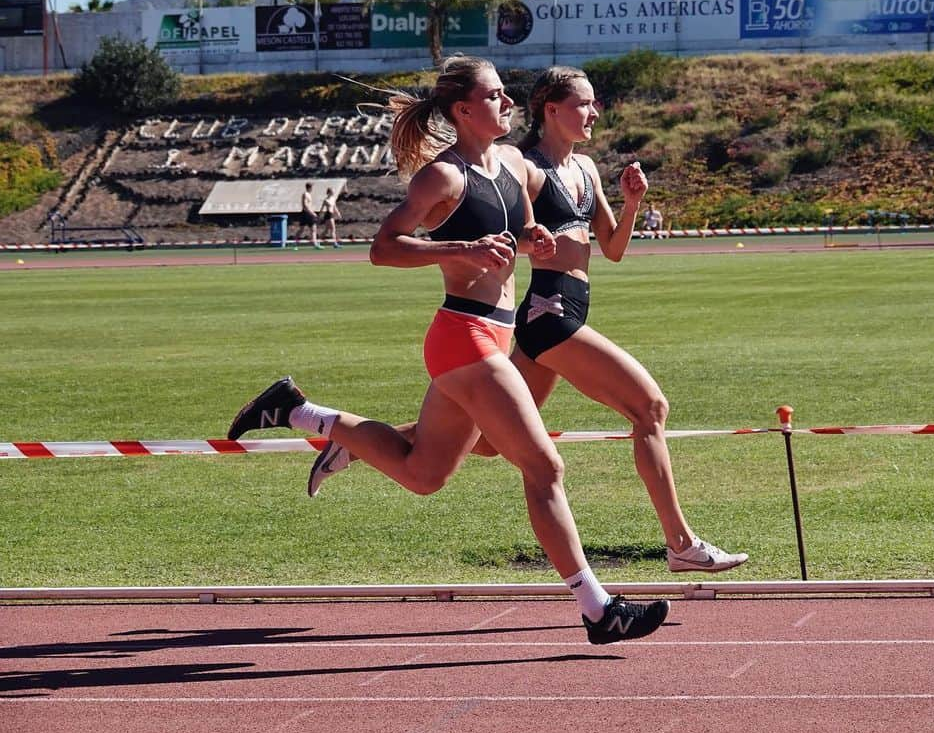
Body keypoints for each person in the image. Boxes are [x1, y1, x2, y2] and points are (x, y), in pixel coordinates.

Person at [228, 56, 669, 645]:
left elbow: (526, 231)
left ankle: (298, 411)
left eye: (506, 95)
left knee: (424, 474)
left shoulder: (513, 161)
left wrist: (534, 238)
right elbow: (384, 248)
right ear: (464, 110)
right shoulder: (443, 177)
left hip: (498, 331)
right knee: (544, 466)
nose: (509, 103)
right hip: (464, 337)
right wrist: (456, 247)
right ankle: (598, 609)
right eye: (495, 96)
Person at [315, 65, 747, 576]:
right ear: (553, 109)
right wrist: (473, 245)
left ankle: (361, 442)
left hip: (568, 307)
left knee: (493, 442)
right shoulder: (526, 166)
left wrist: (632, 204)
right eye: (583, 104)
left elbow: (612, 249)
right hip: (549, 316)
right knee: (649, 406)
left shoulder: (585, 169)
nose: (594, 112)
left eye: (594, 103)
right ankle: (681, 543)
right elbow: (478, 208)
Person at [299, 182, 320, 248]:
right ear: (309, 187)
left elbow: (309, 205)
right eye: (312, 187)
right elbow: (305, 205)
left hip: (309, 213)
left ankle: (315, 244)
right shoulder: (305, 194)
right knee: (302, 229)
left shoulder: (309, 194)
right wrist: (312, 213)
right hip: (306, 213)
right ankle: (295, 243)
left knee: (313, 228)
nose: (312, 188)